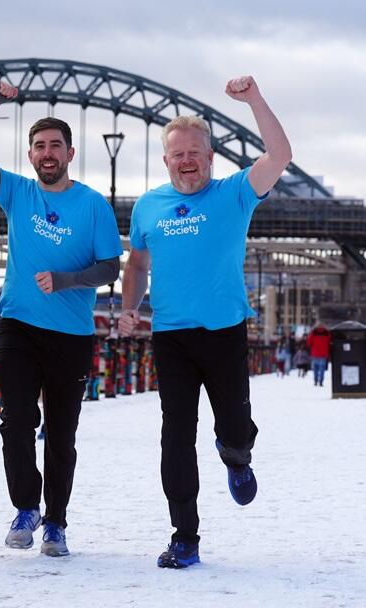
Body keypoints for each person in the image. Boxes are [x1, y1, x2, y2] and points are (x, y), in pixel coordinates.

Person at [119, 76, 292, 568]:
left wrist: (255, 98)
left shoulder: (233, 193)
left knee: (234, 428)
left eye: (195, 151)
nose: (187, 159)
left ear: (210, 157)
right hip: (171, 336)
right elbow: (136, 264)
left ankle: (237, 455)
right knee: (176, 433)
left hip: (224, 332)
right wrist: (130, 309)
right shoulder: (148, 206)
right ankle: (185, 537)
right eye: (178, 153)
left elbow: (279, 156)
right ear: (166, 159)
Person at [0, 82, 123, 557]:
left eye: (55, 146)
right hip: (18, 326)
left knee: (61, 433)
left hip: (71, 334)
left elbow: (110, 267)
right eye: (39, 146)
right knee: (16, 421)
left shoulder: (93, 204)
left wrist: (68, 279)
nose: (47, 153)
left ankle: (56, 522)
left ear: (70, 152)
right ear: (29, 154)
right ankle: (26, 508)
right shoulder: (17, 192)